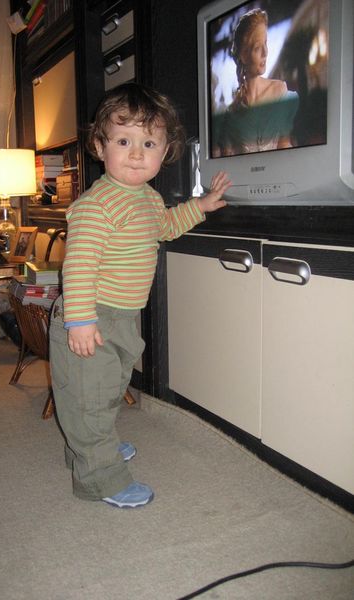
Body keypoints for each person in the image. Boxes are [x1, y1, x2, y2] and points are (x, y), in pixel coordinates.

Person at [49, 83, 231, 508]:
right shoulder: (98, 205)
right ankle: (100, 478)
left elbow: (164, 227)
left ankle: (85, 450)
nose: (136, 154)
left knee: (106, 390)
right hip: (90, 315)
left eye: (148, 143)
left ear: (165, 151)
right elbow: (79, 266)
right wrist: (80, 320)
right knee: (90, 399)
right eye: (123, 141)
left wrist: (200, 206)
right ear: (100, 146)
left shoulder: (147, 198)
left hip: (122, 316)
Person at [216, 8, 299, 156]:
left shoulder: (279, 91)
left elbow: (285, 146)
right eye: (257, 48)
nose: (265, 52)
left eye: (266, 43)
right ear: (243, 55)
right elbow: (227, 162)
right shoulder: (231, 114)